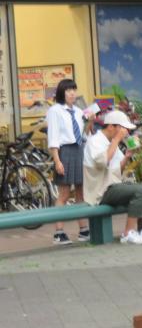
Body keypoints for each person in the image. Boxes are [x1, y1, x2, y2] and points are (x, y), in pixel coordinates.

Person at [82, 110, 142, 245]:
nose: (125, 132)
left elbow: (117, 171)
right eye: (123, 128)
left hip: (114, 185)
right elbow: (102, 162)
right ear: (111, 126)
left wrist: (127, 155)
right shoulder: (95, 141)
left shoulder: (112, 142)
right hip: (100, 192)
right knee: (140, 191)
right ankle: (128, 233)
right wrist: (117, 140)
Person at [46, 79, 89, 245]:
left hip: (79, 150)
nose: (72, 93)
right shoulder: (55, 111)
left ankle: (83, 230)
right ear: (61, 93)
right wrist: (57, 160)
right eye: (68, 90)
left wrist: (90, 121)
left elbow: (82, 134)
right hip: (64, 152)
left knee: (81, 192)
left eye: (74, 90)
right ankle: (59, 232)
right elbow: (53, 138)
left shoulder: (78, 111)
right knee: (64, 193)